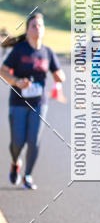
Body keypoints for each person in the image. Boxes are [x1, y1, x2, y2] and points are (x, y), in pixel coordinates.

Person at [1, 12, 65, 189]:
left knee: (34, 141)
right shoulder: (19, 51)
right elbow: (3, 70)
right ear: (27, 30)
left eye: (40, 26)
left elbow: (59, 74)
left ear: (44, 30)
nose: (37, 29)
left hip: (39, 103)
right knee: (18, 141)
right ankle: (15, 162)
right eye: (33, 26)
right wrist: (16, 81)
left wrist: (60, 76)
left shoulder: (47, 52)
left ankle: (27, 175)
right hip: (18, 102)